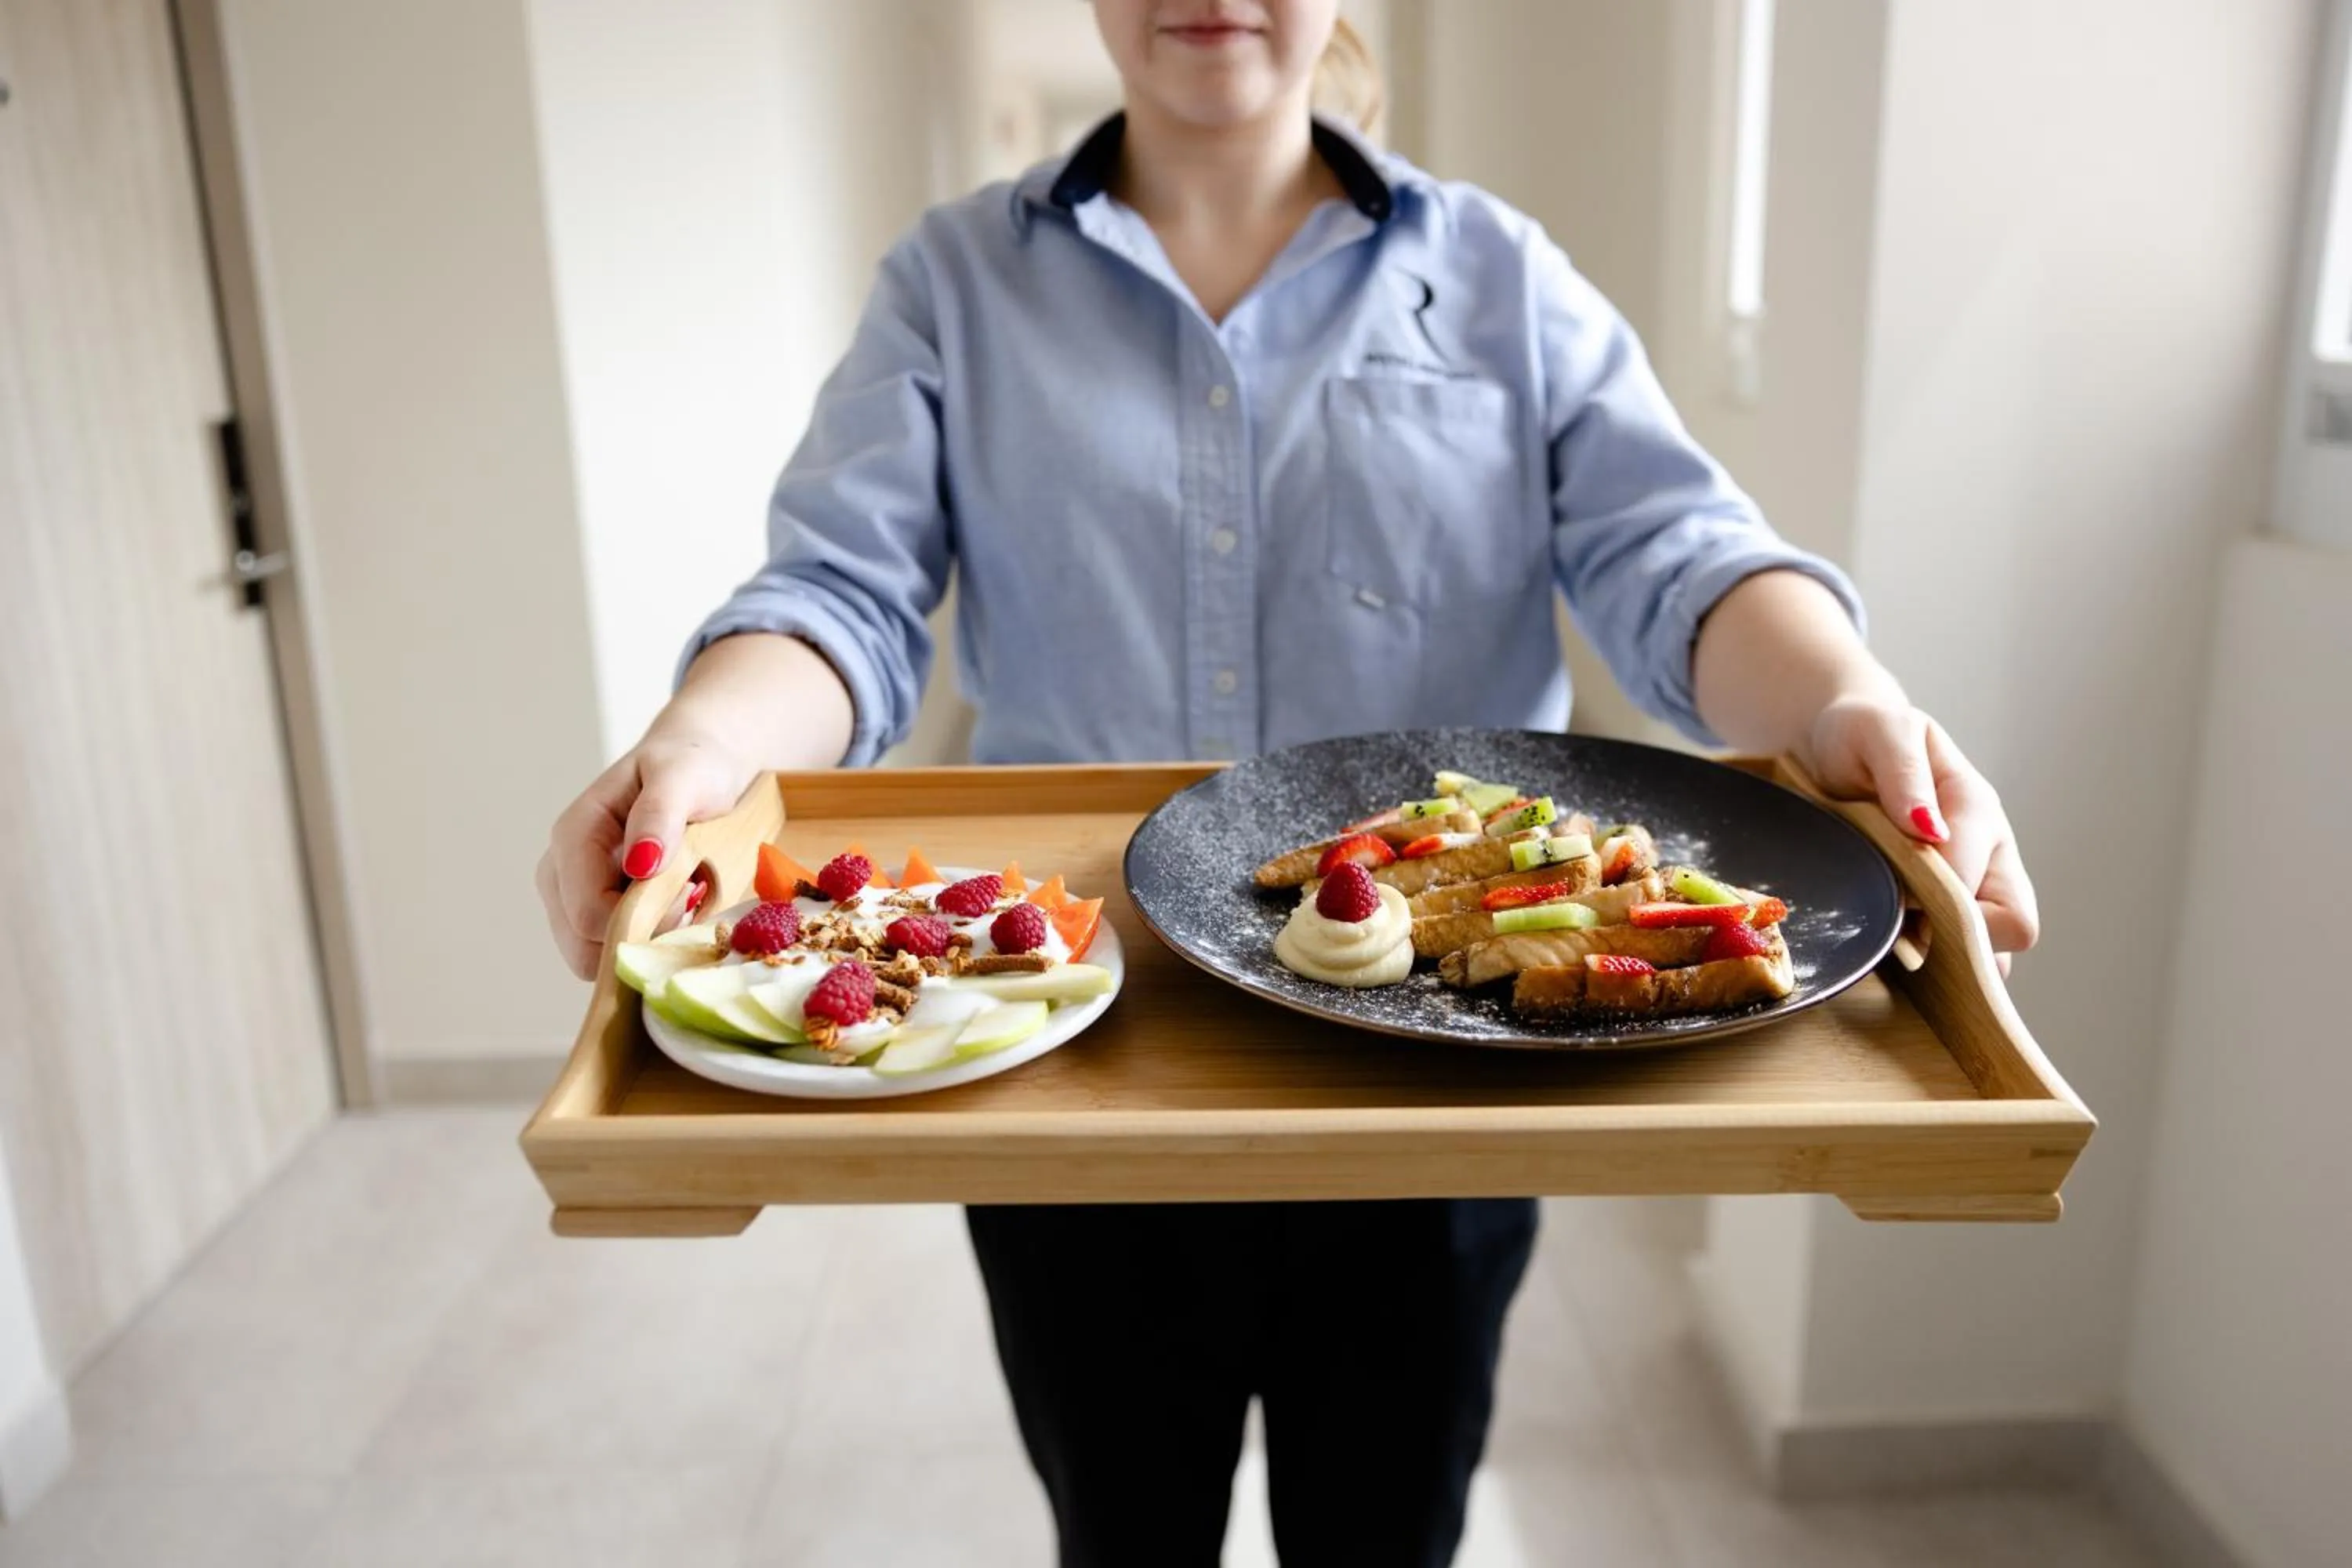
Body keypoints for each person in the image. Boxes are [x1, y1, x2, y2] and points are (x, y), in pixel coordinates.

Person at [537, 4, 2041, 1563]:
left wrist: (1852, 702)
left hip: (1438, 1109)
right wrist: (705, 740)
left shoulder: (1503, 276)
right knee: (1124, 1536)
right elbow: (844, 595)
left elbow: (1681, 561)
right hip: (1079, 1081)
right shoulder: (954, 281)